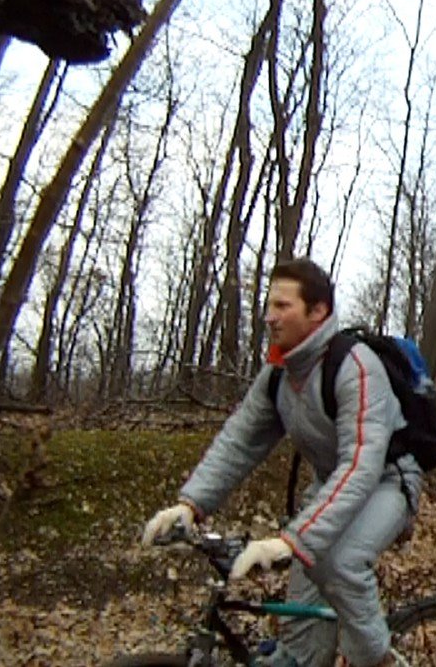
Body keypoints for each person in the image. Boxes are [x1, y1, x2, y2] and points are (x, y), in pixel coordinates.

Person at [140, 258, 421, 667]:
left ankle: (380, 662)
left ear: (318, 311)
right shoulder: (278, 375)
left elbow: (361, 464)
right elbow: (240, 439)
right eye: (268, 305)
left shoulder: (356, 366)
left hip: (387, 482)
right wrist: (191, 503)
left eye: (282, 306)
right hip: (330, 486)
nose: (269, 317)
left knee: (337, 562)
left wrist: (293, 540)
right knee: (300, 641)